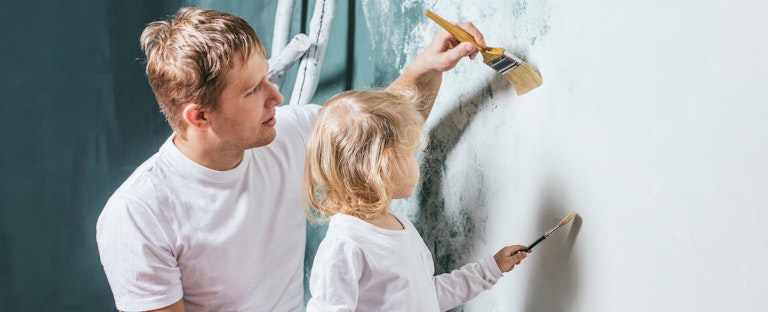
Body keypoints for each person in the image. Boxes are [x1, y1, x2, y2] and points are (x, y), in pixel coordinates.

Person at [95, 6, 487, 312]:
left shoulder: (286, 132)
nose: (276, 97)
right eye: (252, 91)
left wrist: (426, 68)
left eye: (267, 77)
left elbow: (376, 134)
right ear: (199, 116)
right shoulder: (138, 215)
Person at [303, 88, 529, 311]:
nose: (417, 161)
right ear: (386, 165)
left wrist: (490, 269)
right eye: (411, 152)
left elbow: (427, 296)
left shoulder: (399, 226)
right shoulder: (346, 244)